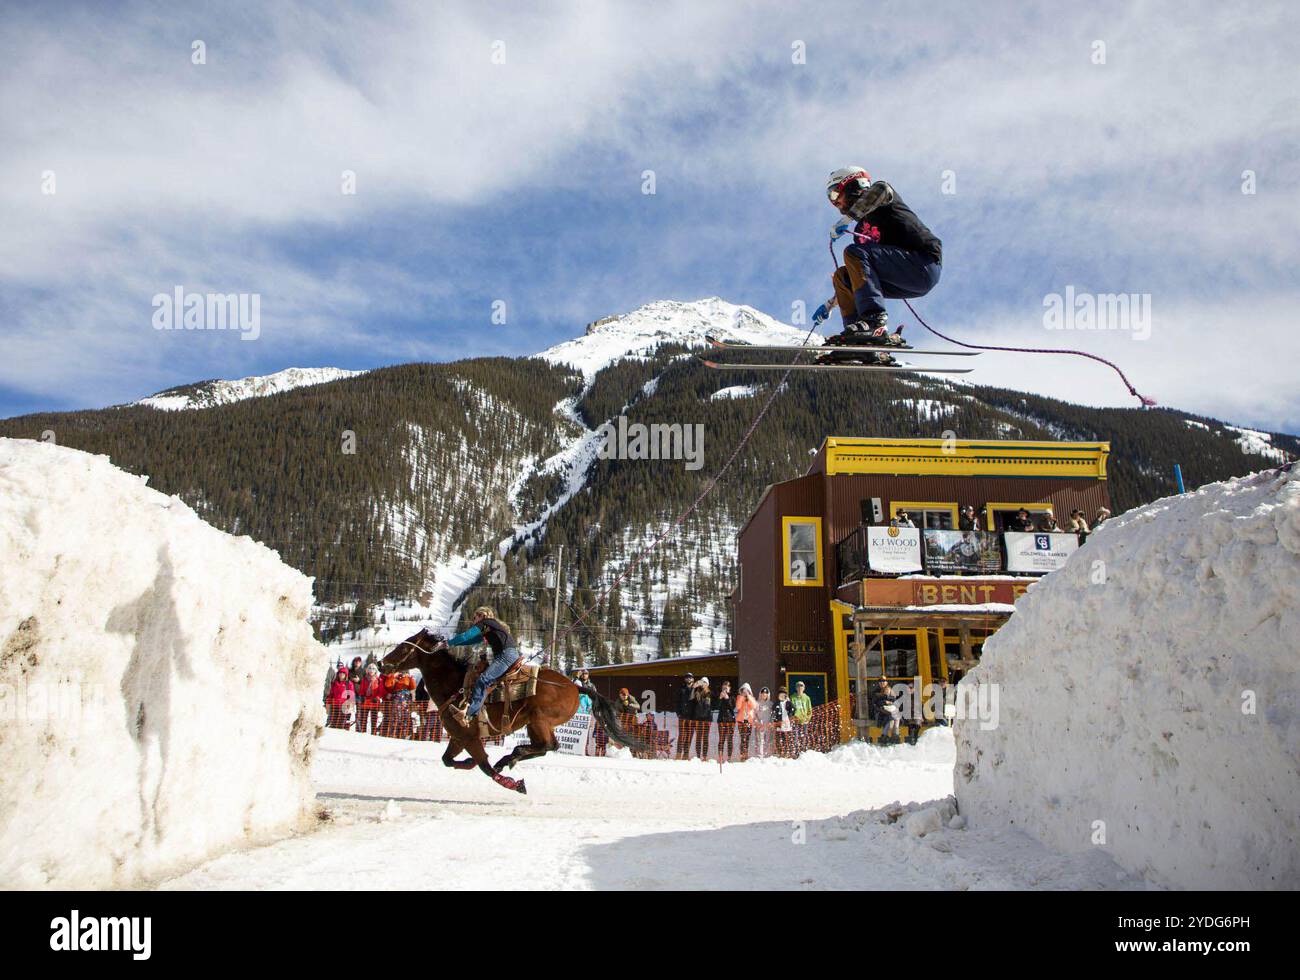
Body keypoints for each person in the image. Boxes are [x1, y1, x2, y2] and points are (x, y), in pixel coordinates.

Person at [811, 166, 943, 366]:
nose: (835, 201)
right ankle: (859, 340)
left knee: (853, 252)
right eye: (830, 197)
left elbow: (880, 191)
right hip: (901, 274)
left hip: (923, 263)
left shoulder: (882, 196)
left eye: (836, 192)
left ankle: (873, 322)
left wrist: (845, 219)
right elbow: (861, 275)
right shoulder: (861, 229)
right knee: (842, 276)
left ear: (854, 185)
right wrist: (830, 305)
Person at [441, 606, 520, 725]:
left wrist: (448, 643)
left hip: (505, 655)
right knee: (485, 680)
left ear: (482, 615)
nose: (474, 620)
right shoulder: (489, 627)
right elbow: (469, 640)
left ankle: (469, 715)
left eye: (475, 617)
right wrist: (450, 644)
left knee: (483, 680)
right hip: (507, 654)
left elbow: (466, 636)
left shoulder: (486, 622)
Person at [355, 662, 385, 736]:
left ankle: (373, 734)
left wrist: (377, 698)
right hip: (366, 701)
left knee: (374, 719)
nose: (371, 670)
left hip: (374, 701)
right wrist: (361, 696)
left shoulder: (379, 680)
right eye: (370, 669)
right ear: (367, 670)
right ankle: (363, 733)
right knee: (363, 719)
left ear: (375, 671)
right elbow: (361, 690)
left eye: (373, 669)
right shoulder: (364, 679)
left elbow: (381, 691)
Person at [689, 677, 713, 760]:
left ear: (707, 684)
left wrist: (703, 714)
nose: (703, 684)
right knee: (698, 737)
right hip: (698, 718)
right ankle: (698, 755)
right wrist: (693, 688)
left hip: (706, 718)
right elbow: (691, 699)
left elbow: (707, 706)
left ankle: (704, 756)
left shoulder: (709, 692)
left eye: (704, 682)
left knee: (705, 738)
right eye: (702, 682)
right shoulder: (697, 692)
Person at [675, 672, 696, 760]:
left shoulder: (696, 690)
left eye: (690, 678)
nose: (688, 679)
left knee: (689, 736)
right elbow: (677, 702)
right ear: (685, 679)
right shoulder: (681, 689)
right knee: (682, 735)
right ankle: (678, 754)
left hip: (692, 717)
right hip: (683, 716)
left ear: (693, 679)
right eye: (687, 678)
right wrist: (678, 713)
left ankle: (686, 754)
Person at [734, 683, 758, 761]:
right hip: (741, 720)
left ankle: (746, 754)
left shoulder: (752, 698)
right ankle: (742, 754)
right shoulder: (739, 697)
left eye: (746, 690)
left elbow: (754, 706)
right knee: (742, 738)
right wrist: (742, 697)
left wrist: (749, 697)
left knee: (747, 738)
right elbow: (738, 706)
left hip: (749, 721)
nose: (745, 692)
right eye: (743, 690)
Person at [715, 681, 737, 762]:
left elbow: (732, 707)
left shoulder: (732, 697)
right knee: (721, 739)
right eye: (724, 686)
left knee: (729, 739)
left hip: (730, 720)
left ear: (729, 688)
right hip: (721, 720)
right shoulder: (719, 696)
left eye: (727, 686)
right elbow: (716, 706)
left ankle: (729, 757)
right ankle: (720, 756)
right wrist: (720, 698)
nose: (725, 688)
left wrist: (727, 698)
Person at [772, 687, 797, 758]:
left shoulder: (788, 703)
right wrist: (775, 721)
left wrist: (790, 714)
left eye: (784, 694)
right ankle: (780, 753)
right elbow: (774, 713)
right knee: (779, 739)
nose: (782, 696)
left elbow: (793, 709)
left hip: (787, 723)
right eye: (780, 694)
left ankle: (788, 752)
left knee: (787, 739)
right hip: (779, 724)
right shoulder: (776, 703)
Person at [791, 681, 813, 752]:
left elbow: (810, 710)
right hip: (795, 721)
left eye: (801, 686)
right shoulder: (792, 697)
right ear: (796, 688)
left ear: (804, 688)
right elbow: (789, 709)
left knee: (804, 737)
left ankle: (804, 751)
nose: (799, 687)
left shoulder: (807, 698)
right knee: (795, 737)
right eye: (798, 686)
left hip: (804, 722)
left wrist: (807, 719)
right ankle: (796, 752)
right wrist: (792, 717)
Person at [754, 686, 774, 758]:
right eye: (762, 693)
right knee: (760, 741)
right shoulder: (756, 703)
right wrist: (757, 722)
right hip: (760, 725)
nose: (764, 695)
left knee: (768, 740)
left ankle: (767, 754)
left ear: (768, 695)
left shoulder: (771, 704)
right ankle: (760, 755)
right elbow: (754, 714)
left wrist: (771, 722)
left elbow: (773, 714)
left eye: (766, 693)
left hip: (768, 725)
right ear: (760, 694)